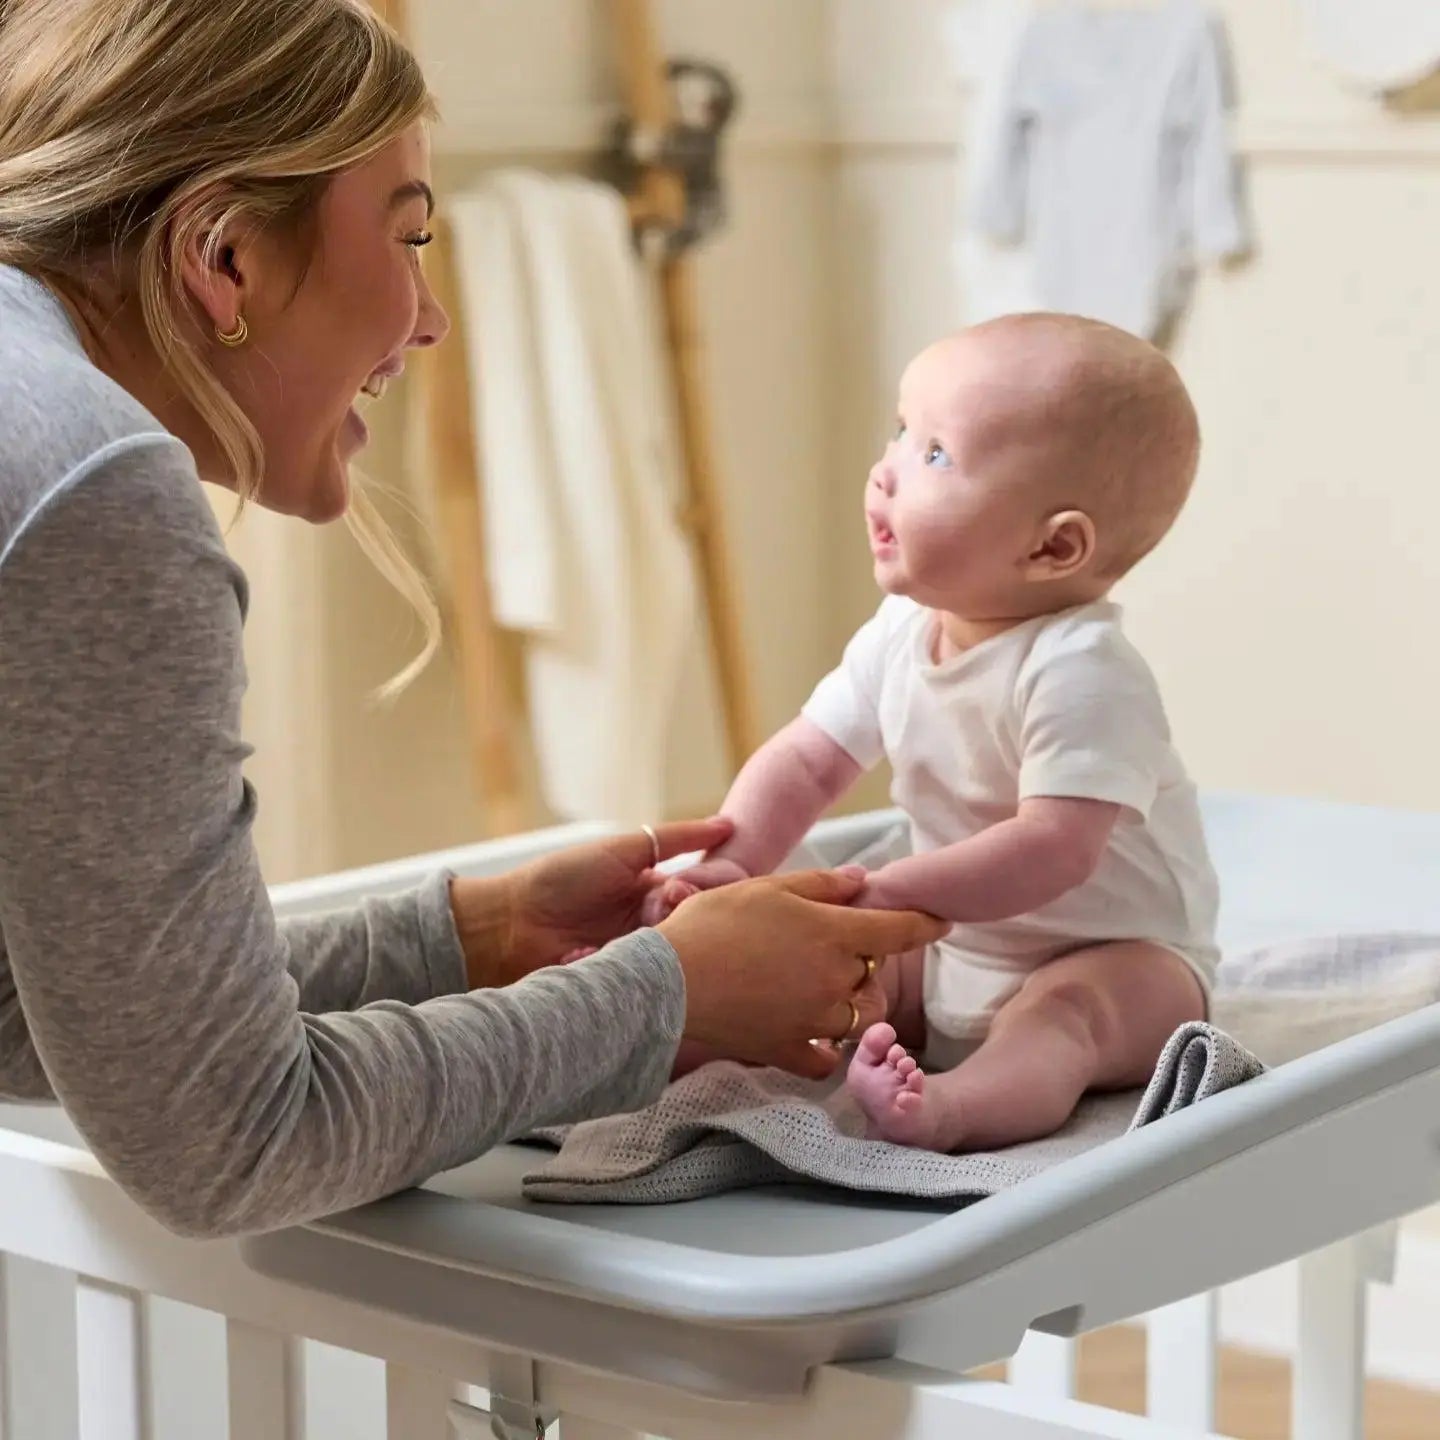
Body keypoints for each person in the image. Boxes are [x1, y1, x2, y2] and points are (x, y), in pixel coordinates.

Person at [0, 0, 947, 1240]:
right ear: (222, 258)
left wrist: (476, 936)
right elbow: (230, 1137)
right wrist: (670, 994)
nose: (431, 317)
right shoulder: (90, 486)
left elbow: (27, 1013)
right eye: (409, 237)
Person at [648, 314, 1221, 1152]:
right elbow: (807, 760)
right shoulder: (903, 631)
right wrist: (735, 863)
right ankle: (677, 1045)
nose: (886, 470)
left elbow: (1054, 847)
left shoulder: (1084, 670)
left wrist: (887, 894)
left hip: (1119, 958)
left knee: (1065, 1020)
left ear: (1053, 547)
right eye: (900, 431)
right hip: (953, 939)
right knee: (827, 978)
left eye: (935, 455)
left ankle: (950, 1111)